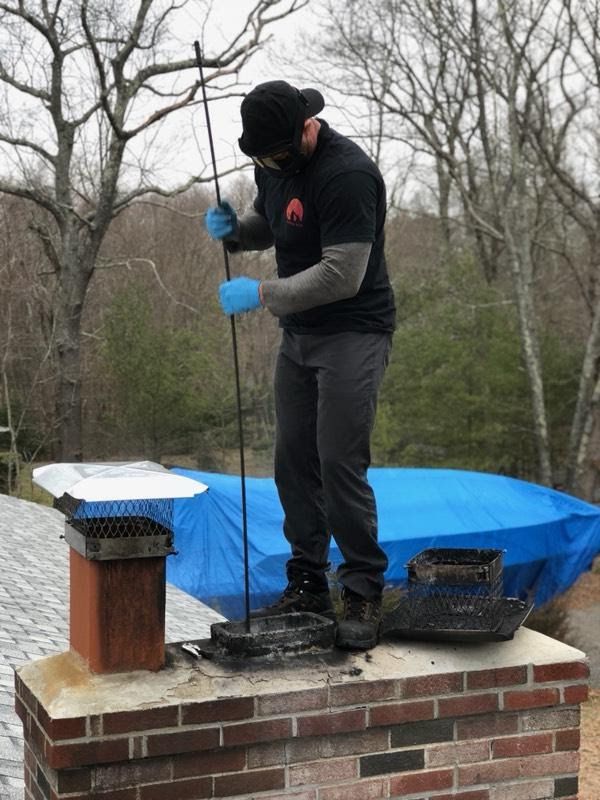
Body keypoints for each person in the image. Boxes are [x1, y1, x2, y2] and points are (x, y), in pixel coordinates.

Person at [204, 80, 396, 650]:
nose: (275, 166)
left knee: (338, 461)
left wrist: (261, 293)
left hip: (354, 331)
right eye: (265, 160)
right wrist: (236, 231)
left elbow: (343, 274)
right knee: (291, 459)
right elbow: (272, 220)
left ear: (308, 127)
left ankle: (362, 588)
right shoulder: (273, 164)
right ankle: (308, 581)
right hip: (300, 336)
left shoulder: (348, 174)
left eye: (281, 155)